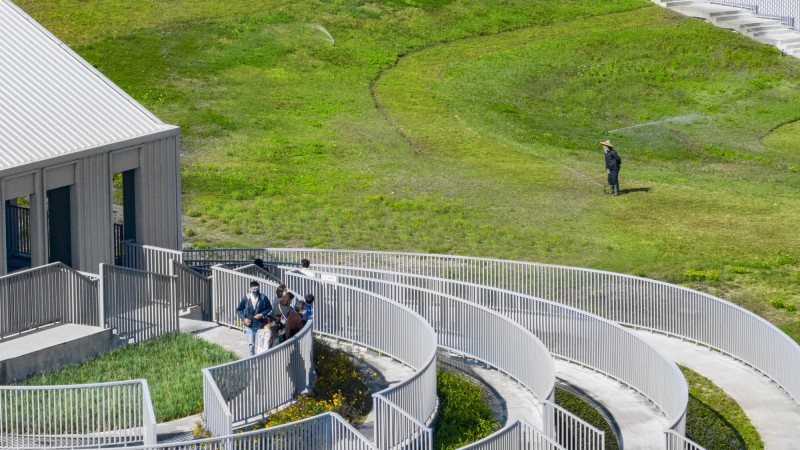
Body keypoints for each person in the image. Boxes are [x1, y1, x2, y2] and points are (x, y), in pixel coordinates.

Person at [235, 280, 272, 356]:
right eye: (254, 289)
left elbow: (269, 308)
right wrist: (244, 319)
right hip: (250, 326)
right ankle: (251, 363)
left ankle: (259, 363)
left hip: (260, 326)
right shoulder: (246, 298)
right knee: (250, 345)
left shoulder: (263, 298)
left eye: (257, 289)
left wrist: (261, 314)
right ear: (250, 289)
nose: (256, 291)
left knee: (260, 346)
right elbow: (239, 310)